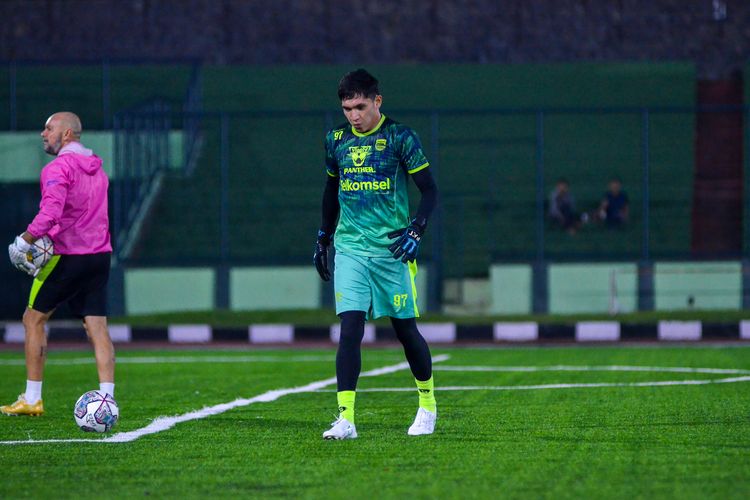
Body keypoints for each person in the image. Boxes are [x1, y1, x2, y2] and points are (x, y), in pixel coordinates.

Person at [313, 69, 439, 439]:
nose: (354, 115)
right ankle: (346, 418)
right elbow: (330, 190)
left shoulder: (401, 137)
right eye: (347, 108)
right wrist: (323, 237)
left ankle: (428, 406)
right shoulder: (336, 140)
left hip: (392, 250)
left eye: (360, 106)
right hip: (350, 248)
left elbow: (430, 191)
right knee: (349, 329)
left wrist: (417, 229)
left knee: (405, 330)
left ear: (377, 101)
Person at [2, 112, 115, 416]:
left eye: (49, 128)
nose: (43, 133)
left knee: (32, 319)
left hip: (67, 256)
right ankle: (107, 400)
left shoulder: (58, 168)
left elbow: (51, 213)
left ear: (66, 134)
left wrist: (25, 240)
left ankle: (32, 398)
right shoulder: (99, 170)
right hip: (100, 255)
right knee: (97, 327)